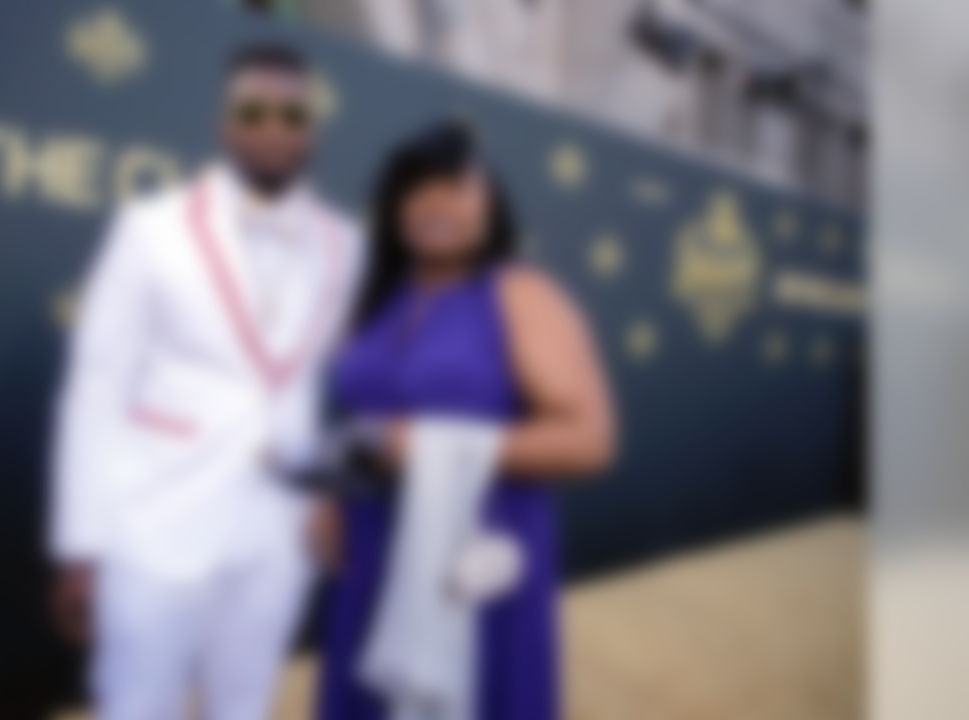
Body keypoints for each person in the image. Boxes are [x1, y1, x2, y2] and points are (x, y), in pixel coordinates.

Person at [48, 42, 361, 720]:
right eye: (253, 108)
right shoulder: (151, 230)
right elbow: (95, 391)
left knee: (244, 707)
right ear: (225, 123)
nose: (274, 124)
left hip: (278, 537)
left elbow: (351, 380)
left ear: (313, 125)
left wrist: (333, 492)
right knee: (135, 706)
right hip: (154, 528)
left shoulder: (347, 244)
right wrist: (80, 545)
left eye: (293, 110)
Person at [314, 122, 616, 720]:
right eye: (415, 188)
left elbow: (590, 439)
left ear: (490, 204)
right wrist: (330, 497)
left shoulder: (521, 293)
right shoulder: (375, 301)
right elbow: (357, 420)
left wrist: (428, 446)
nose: (435, 202)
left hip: (474, 562)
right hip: (372, 548)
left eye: (457, 186)